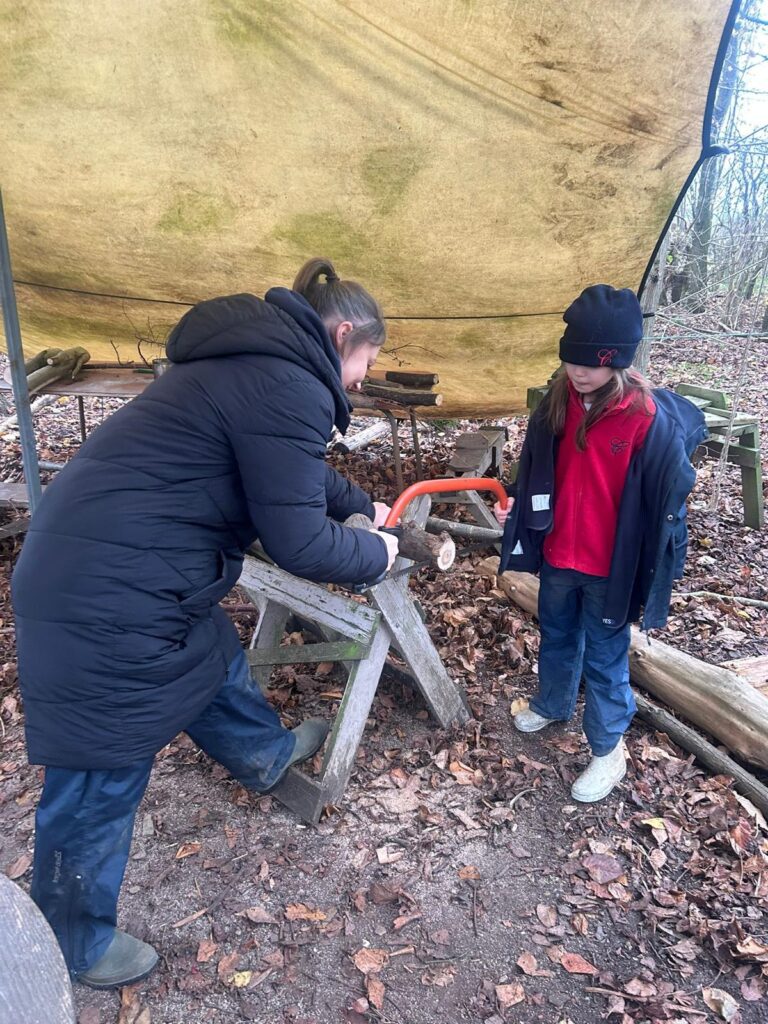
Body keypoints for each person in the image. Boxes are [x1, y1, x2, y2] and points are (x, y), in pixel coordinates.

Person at [11, 257, 400, 989]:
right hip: (104, 596)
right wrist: (373, 552)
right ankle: (70, 940)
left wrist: (364, 505)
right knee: (102, 766)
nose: (358, 380)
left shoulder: (258, 368)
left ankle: (265, 755)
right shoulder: (287, 383)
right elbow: (300, 543)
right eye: (366, 362)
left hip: (122, 573)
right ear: (345, 334)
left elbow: (292, 470)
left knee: (210, 652)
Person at [494, 284, 706, 804]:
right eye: (571, 359)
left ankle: (608, 749)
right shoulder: (557, 403)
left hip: (610, 566)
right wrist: (519, 506)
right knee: (558, 635)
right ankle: (552, 704)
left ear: (618, 361)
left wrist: (658, 560)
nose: (578, 371)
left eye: (591, 363)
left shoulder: (644, 419)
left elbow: (670, 496)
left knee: (606, 658)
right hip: (559, 553)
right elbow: (538, 468)